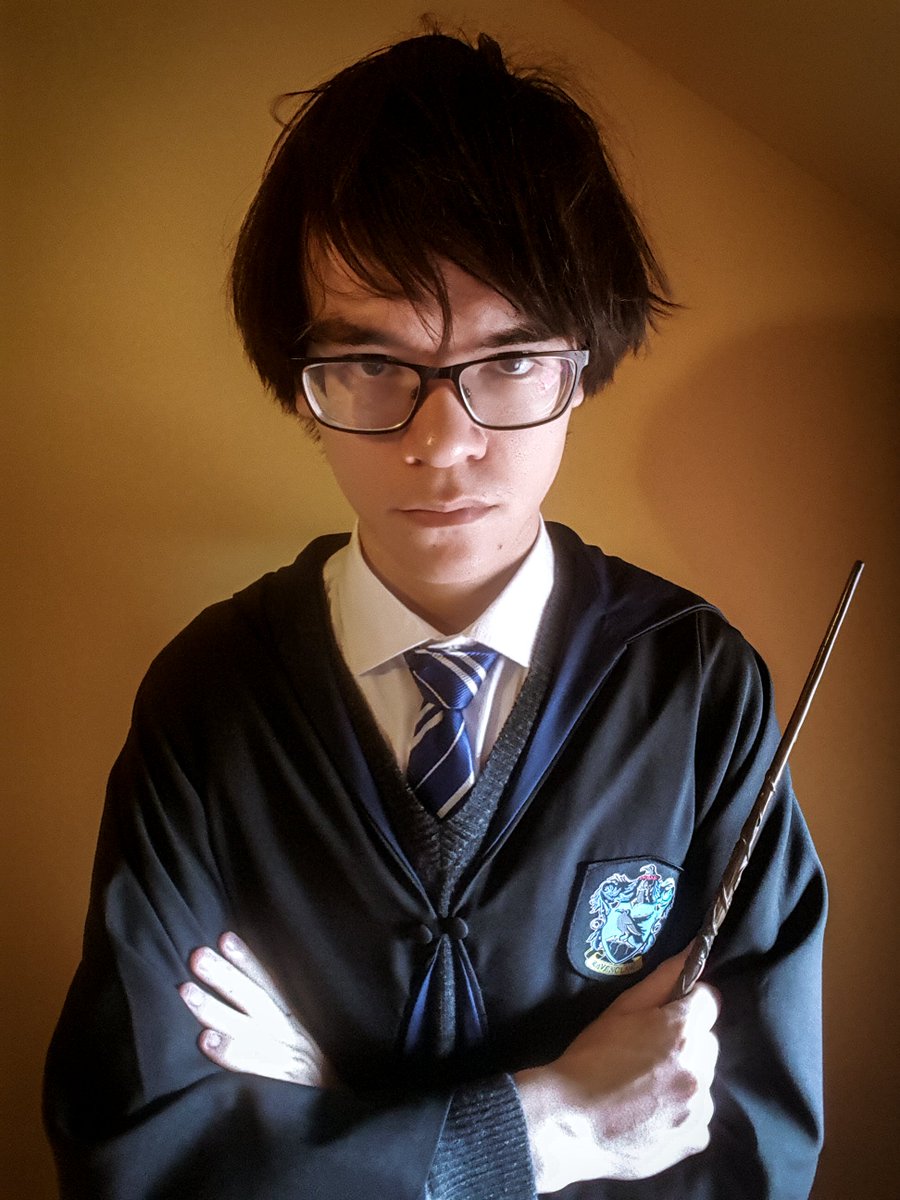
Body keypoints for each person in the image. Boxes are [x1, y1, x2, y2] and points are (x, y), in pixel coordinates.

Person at [43, 28, 826, 1200]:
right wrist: (553, 1128)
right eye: (371, 364)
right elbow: (138, 1157)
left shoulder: (696, 688)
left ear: (580, 367)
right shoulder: (209, 698)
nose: (443, 442)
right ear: (300, 384)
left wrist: (330, 1121)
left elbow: (750, 1146)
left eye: (509, 363)